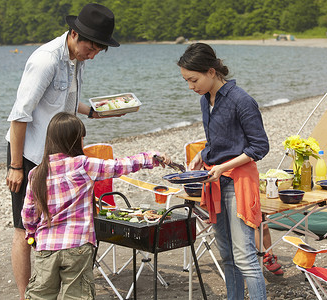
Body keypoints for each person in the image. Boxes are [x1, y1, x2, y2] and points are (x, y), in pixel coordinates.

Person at [5, 4, 121, 299]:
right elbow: (20, 115)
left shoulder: (76, 59)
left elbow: (64, 101)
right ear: (75, 34)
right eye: (92, 48)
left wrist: (94, 112)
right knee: (24, 228)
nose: (93, 55)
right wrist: (16, 166)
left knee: (59, 221)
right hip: (30, 154)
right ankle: (25, 294)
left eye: (99, 50)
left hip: (60, 154)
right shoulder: (46, 60)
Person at [21, 112, 171, 299]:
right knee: (77, 295)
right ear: (75, 141)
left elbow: (28, 213)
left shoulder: (36, 173)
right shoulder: (83, 165)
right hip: (78, 244)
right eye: (82, 139)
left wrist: (32, 234)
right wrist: (151, 157)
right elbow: (119, 166)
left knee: (40, 295)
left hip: (46, 245)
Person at [178, 43, 269, 299]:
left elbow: (260, 146)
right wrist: (201, 155)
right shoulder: (205, 101)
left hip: (238, 180)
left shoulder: (242, 100)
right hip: (216, 181)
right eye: (186, 80)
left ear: (211, 71)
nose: (190, 86)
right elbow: (217, 141)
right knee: (227, 254)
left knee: (245, 256)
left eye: (193, 79)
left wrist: (224, 166)